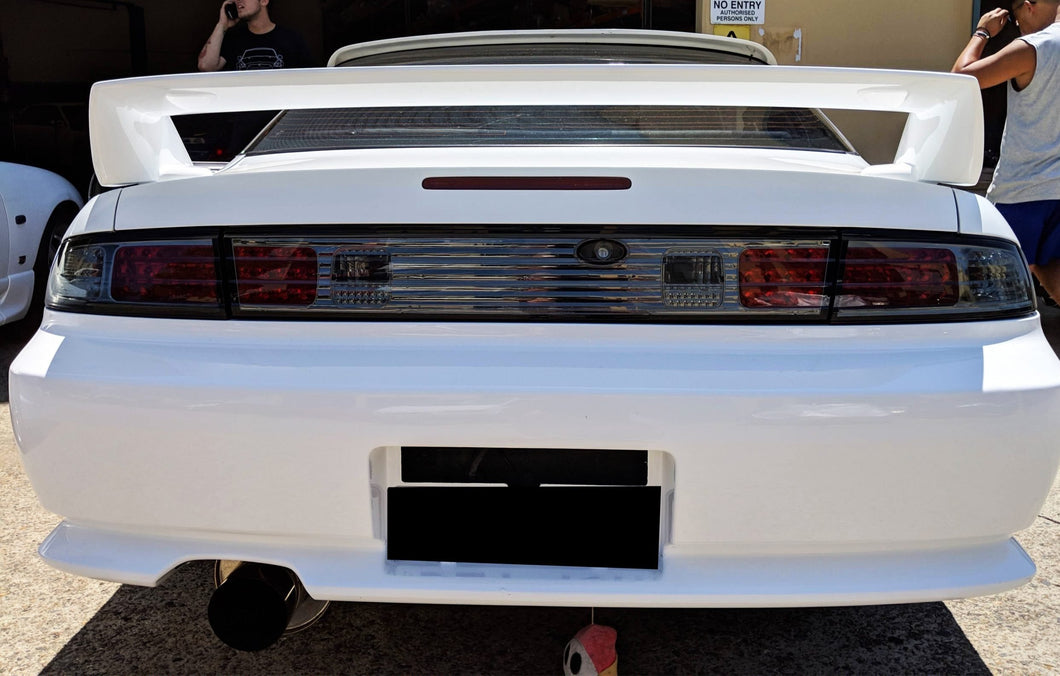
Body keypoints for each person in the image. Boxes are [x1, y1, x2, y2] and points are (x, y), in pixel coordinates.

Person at [952, 0, 1060, 302]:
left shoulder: (1034, 47)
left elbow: (961, 77)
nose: (1018, 26)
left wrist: (983, 32)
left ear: (1029, 6)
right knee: (1047, 265)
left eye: (1016, 18)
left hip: (1022, 191)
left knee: (992, 292)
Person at [198, 0, 311, 72]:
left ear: (264, 1)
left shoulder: (291, 38)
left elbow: (308, 78)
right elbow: (206, 66)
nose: (237, 1)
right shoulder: (233, 38)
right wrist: (222, 25)